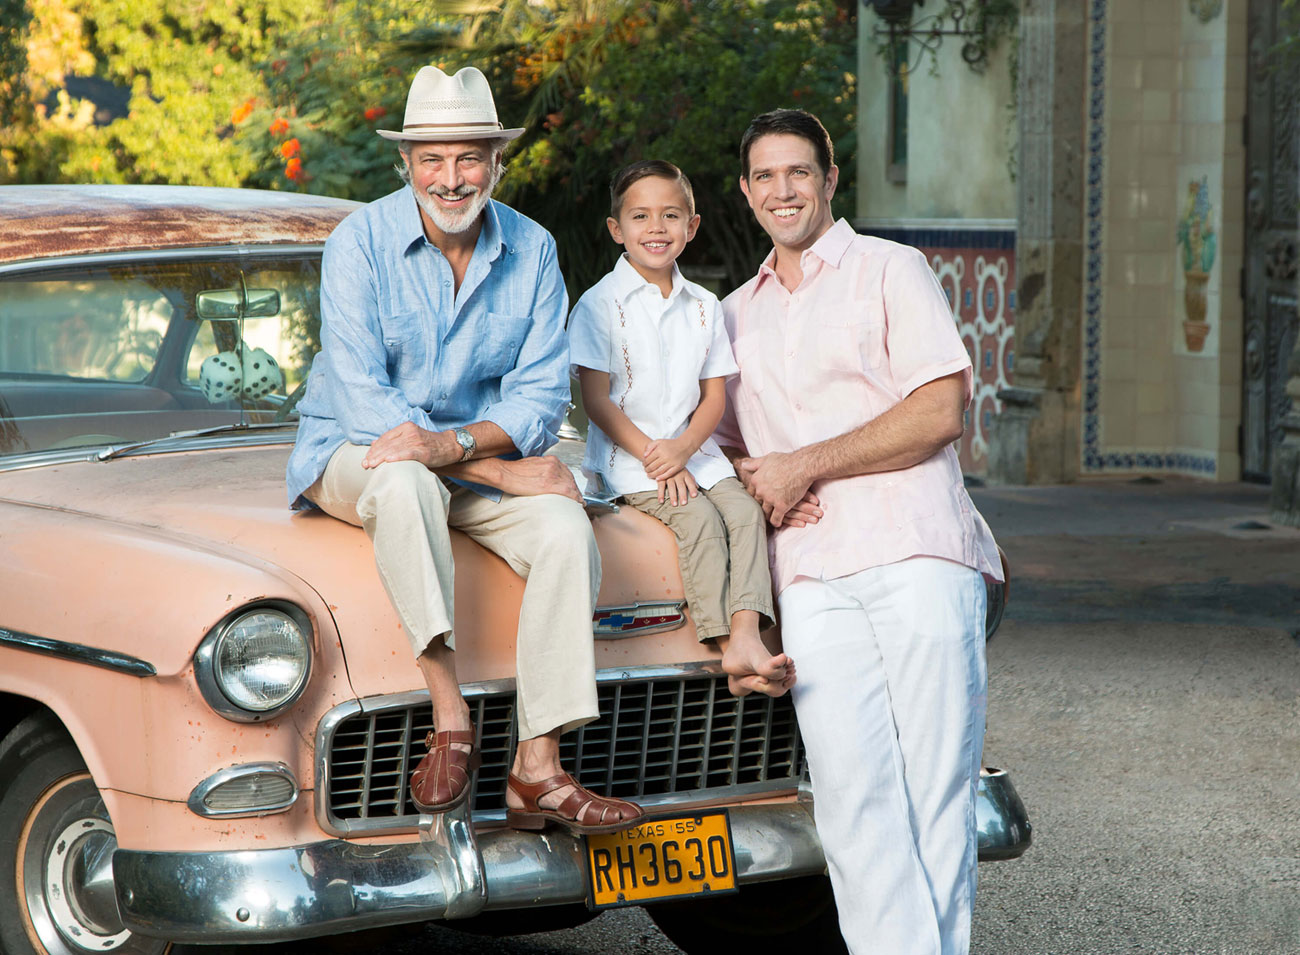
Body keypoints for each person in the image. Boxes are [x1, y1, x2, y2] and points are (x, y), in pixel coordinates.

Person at [285, 65, 643, 835]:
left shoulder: (534, 248)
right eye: (432, 160)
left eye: (468, 158)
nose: (451, 180)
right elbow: (365, 407)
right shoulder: (359, 244)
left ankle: (538, 766)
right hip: (353, 455)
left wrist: (459, 450)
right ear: (405, 165)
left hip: (457, 460)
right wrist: (494, 466)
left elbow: (542, 396)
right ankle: (449, 715)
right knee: (409, 483)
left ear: (496, 162)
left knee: (561, 527)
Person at [715, 109, 1003, 955]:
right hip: (808, 574)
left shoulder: (892, 270)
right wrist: (756, 477)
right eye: (764, 176)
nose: (782, 190)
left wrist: (803, 463)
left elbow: (939, 410)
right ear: (744, 192)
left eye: (798, 172)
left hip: (916, 553)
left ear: (830, 179)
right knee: (849, 799)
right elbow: (718, 449)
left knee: (933, 794)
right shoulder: (733, 314)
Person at [567, 159, 794, 698]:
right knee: (696, 521)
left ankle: (746, 636)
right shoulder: (600, 305)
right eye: (640, 216)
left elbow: (715, 395)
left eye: (671, 216)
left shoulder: (704, 306)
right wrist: (656, 455)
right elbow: (596, 400)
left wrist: (686, 448)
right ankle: (723, 651)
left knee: (744, 511)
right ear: (616, 230)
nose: (656, 228)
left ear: (691, 227)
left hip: (698, 452)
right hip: (632, 460)